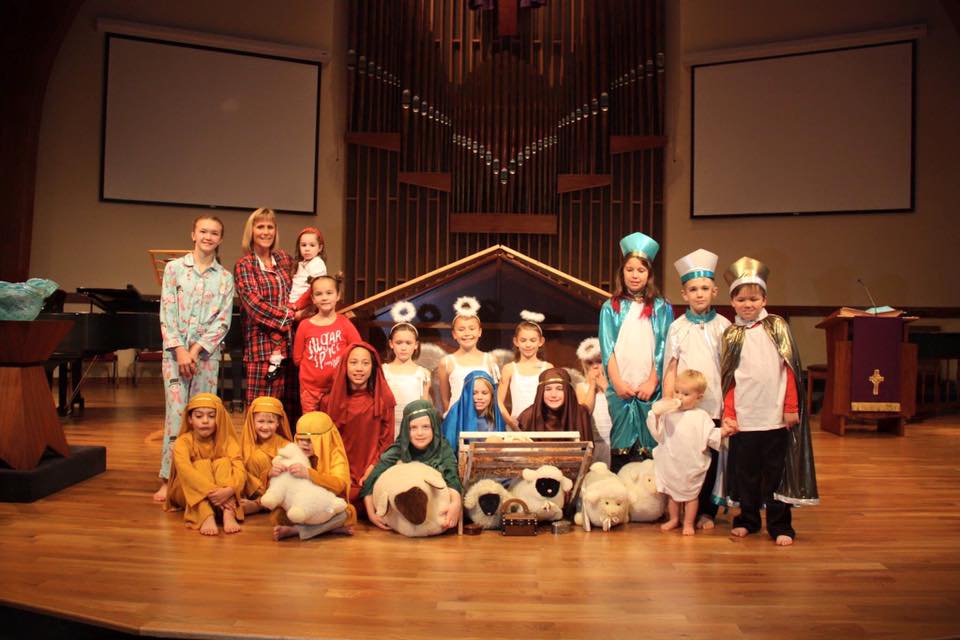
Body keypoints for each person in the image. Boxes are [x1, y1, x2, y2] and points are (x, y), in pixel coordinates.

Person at [720, 257, 819, 546]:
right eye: (741, 299)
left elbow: (790, 369)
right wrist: (729, 413)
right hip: (745, 418)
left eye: (754, 299)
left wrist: (791, 407)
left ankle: (779, 524)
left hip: (775, 417)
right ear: (732, 302)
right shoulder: (731, 334)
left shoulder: (777, 326)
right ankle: (748, 519)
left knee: (776, 474)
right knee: (746, 473)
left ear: (764, 299)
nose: (748, 304)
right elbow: (729, 379)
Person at [154, 215, 234, 503]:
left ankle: (199, 478)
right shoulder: (174, 269)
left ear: (220, 239)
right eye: (203, 231)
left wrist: (196, 350)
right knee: (176, 417)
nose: (208, 237)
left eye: (214, 233)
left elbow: (223, 321)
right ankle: (169, 478)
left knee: (204, 418)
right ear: (193, 234)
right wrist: (180, 350)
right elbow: (167, 312)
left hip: (206, 358)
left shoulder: (224, 278)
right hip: (175, 356)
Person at [661, 249, 731, 529]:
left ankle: (706, 512)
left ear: (714, 291)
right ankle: (678, 510)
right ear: (684, 294)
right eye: (693, 289)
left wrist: (729, 406)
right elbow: (670, 367)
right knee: (685, 457)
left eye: (704, 288)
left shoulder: (724, 327)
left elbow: (730, 370)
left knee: (710, 457)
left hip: (713, 404)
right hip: (683, 406)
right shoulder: (677, 328)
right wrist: (669, 401)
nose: (699, 294)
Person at [599, 232, 673, 472]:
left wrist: (652, 381)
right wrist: (618, 383)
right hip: (621, 389)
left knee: (649, 452)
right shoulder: (611, 307)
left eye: (641, 270)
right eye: (629, 269)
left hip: (650, 388)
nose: (634, 275)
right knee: (622, 450)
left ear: (649, 274)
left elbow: (664, 347)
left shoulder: (661, 307)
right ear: (622, 272)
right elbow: (607, 349)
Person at [647, 370, 735, 536]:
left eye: (686, 394)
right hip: (672, 462)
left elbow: (710, 436)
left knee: (691, 495)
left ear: (698, 397)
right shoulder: (669, 414)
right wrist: (656, 416)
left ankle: (688, 522)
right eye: (677, 391)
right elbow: (659, 434)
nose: (679, 397)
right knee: (672, 494)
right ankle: (674, 519)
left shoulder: (701, 416)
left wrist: (724, 431)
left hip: (691, 463)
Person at [233, 208, 299, 413]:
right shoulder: (245, 265)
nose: (266, 232)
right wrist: (290, 316)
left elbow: (302, 285)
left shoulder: (285, 259)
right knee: (262, 411)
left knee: (288, 412)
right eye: (260, 226)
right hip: (262, 349)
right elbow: (255, 305)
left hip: (291, 346)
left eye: (270, 227)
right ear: (251, 231)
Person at [362, 400, 463, 533]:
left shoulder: (442, 447)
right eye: (413, 428)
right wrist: (371, 513)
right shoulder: (399, 448)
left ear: (434, 427)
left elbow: (452, 477)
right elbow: (372, 479)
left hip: (432, 508)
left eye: (426, 427)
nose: (419, 433)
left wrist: (456, 502)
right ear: (405, 430)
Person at [325, 342, 396, 511]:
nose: (359, 368)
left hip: (372, 471)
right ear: (345, 365)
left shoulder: (383, 400)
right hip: (340, 471)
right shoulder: (329, 401)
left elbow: (386, 442)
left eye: (365, 363)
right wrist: (340, 473)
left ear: (373, 367)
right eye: (353, 362)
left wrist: (372, 469)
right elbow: (328, 445)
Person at [164, 393, 245, 536]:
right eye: (199, 416)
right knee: (201, 465)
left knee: (223, 462)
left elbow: (240, 469)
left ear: (219, 418)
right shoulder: (182, 442)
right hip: (187, 490)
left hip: (223, 494)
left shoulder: (227, 441)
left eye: (211, 416)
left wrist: (230, 490)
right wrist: (216, 492)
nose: (205, 421)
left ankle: (228, 513)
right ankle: (206, 515)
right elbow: (186, 472)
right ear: (190, 419)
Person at [272, 411, 358, 541]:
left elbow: (339, 485)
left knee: (346, 513)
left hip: (325, 508)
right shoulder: (294, 453)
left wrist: (309, 474)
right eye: (300, 439)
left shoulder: (336, 456)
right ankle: (329, 528)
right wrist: (272, 473)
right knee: (278, 514)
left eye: (309, 440)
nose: (303, 444)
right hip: (300, 505)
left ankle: (298, 530)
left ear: (324, 440)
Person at [292, 274, 361, 413]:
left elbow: (358, 351)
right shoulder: (305, 325)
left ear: (338, 295)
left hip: (337, 388)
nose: (324, 298)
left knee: (335, 422)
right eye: (319, 294)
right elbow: (297, 359)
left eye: (329, 293)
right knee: (312, 423)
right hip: (310, 390)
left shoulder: (344, 323)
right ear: (313, 298)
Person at [437, 296, 500, 415]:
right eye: (461, 329)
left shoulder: (490, 360)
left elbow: (496, 395)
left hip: (484, 418)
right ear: (454, 334)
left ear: (479, 332)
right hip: (457, 418)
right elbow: (445, 399)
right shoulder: (446, 362)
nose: (467, 333)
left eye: (472, 329)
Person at [382, 301, 432, 437]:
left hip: (413, 428)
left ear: (416, 345)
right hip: (388, 426)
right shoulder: (384, 371)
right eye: (399, 343)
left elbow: (424, 406)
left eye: (408, 343)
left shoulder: (423, 373)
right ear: (391, 344)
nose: (403, 347)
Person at [238, 396, 293, 515]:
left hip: (276, 489)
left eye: (270, 422)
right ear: (252, 421)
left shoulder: (286, 445)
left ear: (278, 423)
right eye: (261, 421)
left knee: (258, 457)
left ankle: (260, 505)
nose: (265, 427)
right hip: (253, 490)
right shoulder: (245, 442)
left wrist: (270, 473)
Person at [497, 311, 552, 428]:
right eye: (523, 340)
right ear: (516, 341)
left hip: (541, 425)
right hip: (516, 425)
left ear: (541, 342)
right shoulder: (509, 369)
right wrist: (511, 422)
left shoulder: (547, 368)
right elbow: (499, 401)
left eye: (532, 340)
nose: (528, 345)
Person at [516, 368, 594, 442]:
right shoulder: (528, 416)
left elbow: (588, 448)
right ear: (541, 393)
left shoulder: (580, 413)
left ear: (567, 391)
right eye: (548, 389)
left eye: (559, 389)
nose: (553, 395)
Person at [441, 370, 505, 450]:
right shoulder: (454, 414)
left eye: (484, 393)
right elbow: (448, 448)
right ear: (466, 394)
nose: (479, 397)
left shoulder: (496, 416)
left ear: (492, 395)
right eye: (474, 393)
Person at [575, 337, 613, 466]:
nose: (595, 366)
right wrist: (592, 386)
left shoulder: (613, 387)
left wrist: (606, 388)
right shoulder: (582, 387)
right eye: (590, 363)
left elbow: (617, 410)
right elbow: (585, 412)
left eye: (599, 361)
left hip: (612, 442)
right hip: (594, 443)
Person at [288, 226, 327, 310]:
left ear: (320, 248)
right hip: (293, 302)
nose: (307, 249)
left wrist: (297, 305)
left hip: (306, 304)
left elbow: (314, 288)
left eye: (312, 245)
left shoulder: (317, 263)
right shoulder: (300, 263)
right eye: (303, 245)